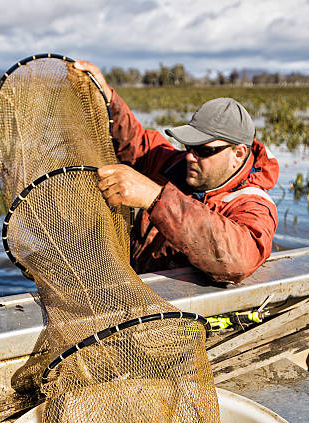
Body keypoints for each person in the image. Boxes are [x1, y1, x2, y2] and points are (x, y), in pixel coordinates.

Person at [70, 61, 279, 283]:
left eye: (203, 150)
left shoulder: (254, 205)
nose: (190, 156)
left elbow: (238, 260)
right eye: (188, 146)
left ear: (238, 154)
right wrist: (107, 97)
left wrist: (155, 198)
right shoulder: (177, 164)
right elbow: (136, 142)